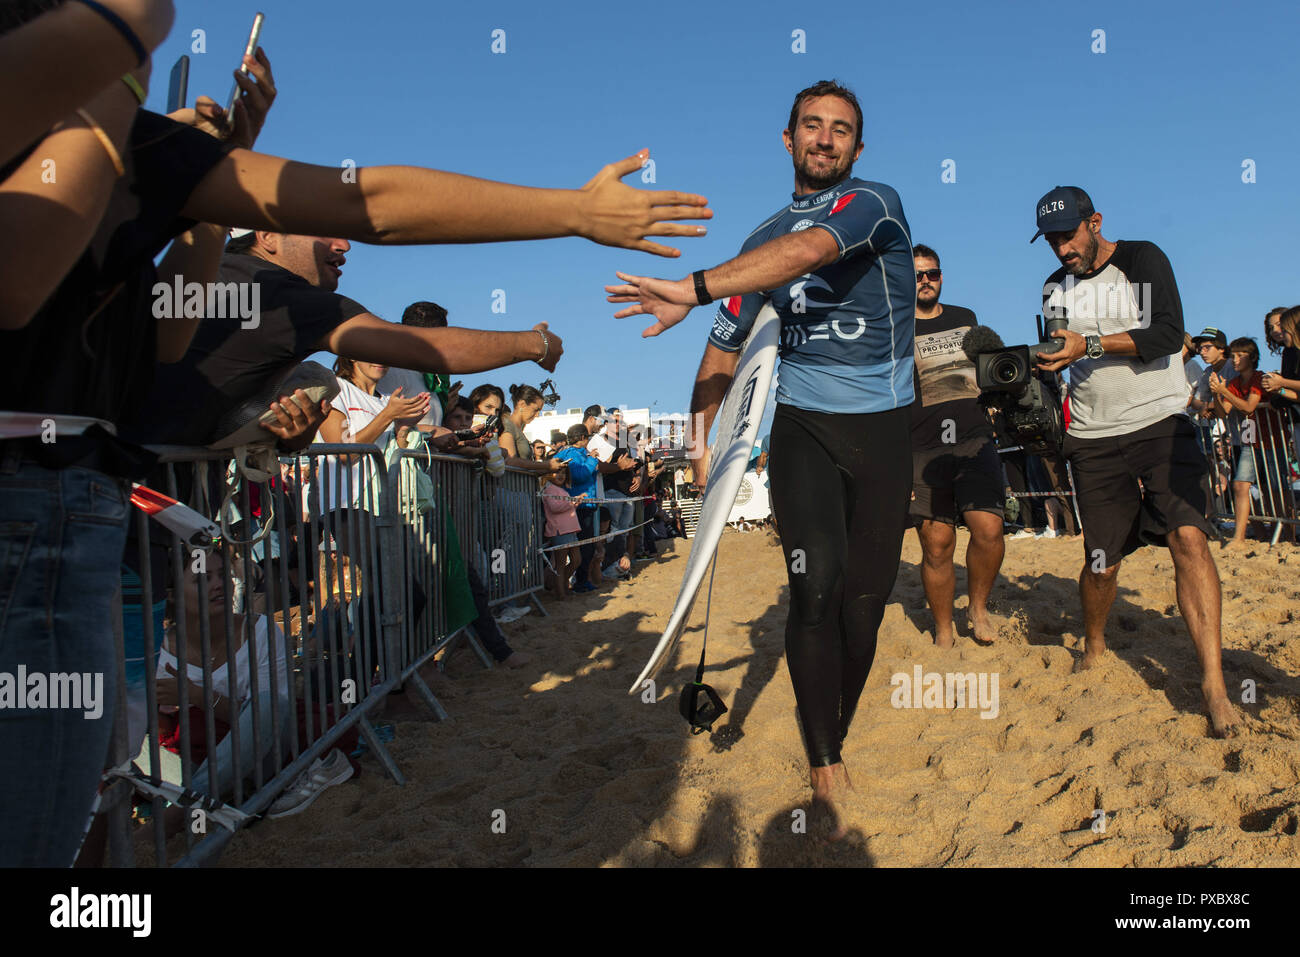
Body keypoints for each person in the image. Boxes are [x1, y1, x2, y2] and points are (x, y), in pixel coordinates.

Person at [606, 80, 916, 840]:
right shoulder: (758, 242)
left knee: (864, 607)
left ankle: (831, 720)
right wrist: (704, 436)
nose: (825, 138)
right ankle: (824, 756)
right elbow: (721, 349)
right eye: (812, 125)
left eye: (841, 129)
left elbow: (808, 251)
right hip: (804, 428)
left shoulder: (875, 203)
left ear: (858, 147)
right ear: (788, 139)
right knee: (814, 590)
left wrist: (692, 283)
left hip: (883, 430)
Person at [1031, 185, 1238, 737]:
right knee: (1101, 561)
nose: (1061, 249)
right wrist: (1042, 366)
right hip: (1094, 434)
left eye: (1068, 234)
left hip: (1162, 420)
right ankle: (1095, 640)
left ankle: (1214, 685)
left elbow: (1169, 334)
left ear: (1094, 221)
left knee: (1189, 538)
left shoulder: (1143, 259)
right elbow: (1059, 348)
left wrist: (1089, 346)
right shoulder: (1055, 286)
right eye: (1050, 239)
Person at [907, 244, 1005, 647]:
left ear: (941, 277)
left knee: (989, 529)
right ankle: (944, 631)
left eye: (932, 273)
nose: (926, 280)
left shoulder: (966, 319)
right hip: (921, 446)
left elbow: (989, 366)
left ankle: (977, 609)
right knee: (937, 543)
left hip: (972, 437)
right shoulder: (894, 325)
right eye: (917, 275)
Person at [1208, 337, 1265, 548]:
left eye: (1241, 355)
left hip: (1267, 440)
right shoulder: (1233, 383)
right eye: (1233, 355)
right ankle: (1249, 535)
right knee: (1242, 485)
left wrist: (1223, 392)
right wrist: (1216, 394)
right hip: (1247, 440)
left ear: (1253, 357)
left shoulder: (1259, 378)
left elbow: (1249, 407)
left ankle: (1283, 534)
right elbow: (1223, 413)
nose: (1235, 359)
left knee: (1272, 490)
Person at [377, 301, 462, 430]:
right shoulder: (393, 371)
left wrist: (446, 407)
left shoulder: (430, 375)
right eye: (441, 336)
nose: (445, 343)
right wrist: (432, 432)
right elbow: (383, 423)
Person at [554, 424, 601, 593]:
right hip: (579, 505)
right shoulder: (571, 454)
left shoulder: (576, 454)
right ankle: (579, 582)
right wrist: (592, 459)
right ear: (582, 438)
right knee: (583, 548)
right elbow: (579, 475)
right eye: (587, 437)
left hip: (583, 504)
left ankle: (579, 580)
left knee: (582, 548)